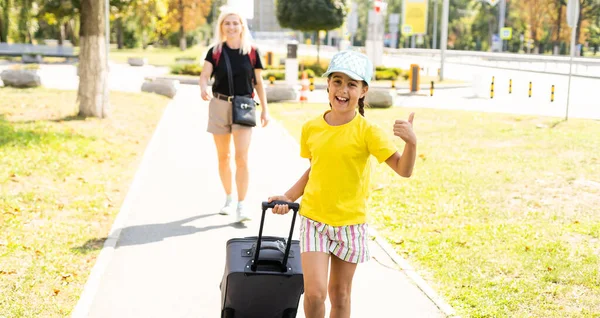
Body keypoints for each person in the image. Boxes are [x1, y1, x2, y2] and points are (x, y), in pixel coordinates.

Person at [268, 50, 417, 318]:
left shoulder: (368, 132)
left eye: (352, 84)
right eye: (337, 81)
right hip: (315, 219)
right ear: (328, 85)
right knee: (314, 294)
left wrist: (411, 144)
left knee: (340, 295)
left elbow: (403, 170)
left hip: (350, 224)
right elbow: (315, 170)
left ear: (363, 91)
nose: (343, 90)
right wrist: (288, 197)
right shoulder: (312, 128)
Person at [199, 6, 269, 222]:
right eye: (227, 23)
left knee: (241, 157)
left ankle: (241, 204)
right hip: (220, 105)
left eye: (235, 23)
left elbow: (258, 82)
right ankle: (229, 199)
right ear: (222, 27)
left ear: (241, 26)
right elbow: (204, 75)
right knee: (224, 157)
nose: (231, 27)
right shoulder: (216, 51)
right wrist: (203, 87)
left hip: (245, 107)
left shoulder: (251, 51)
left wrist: (265, 109)